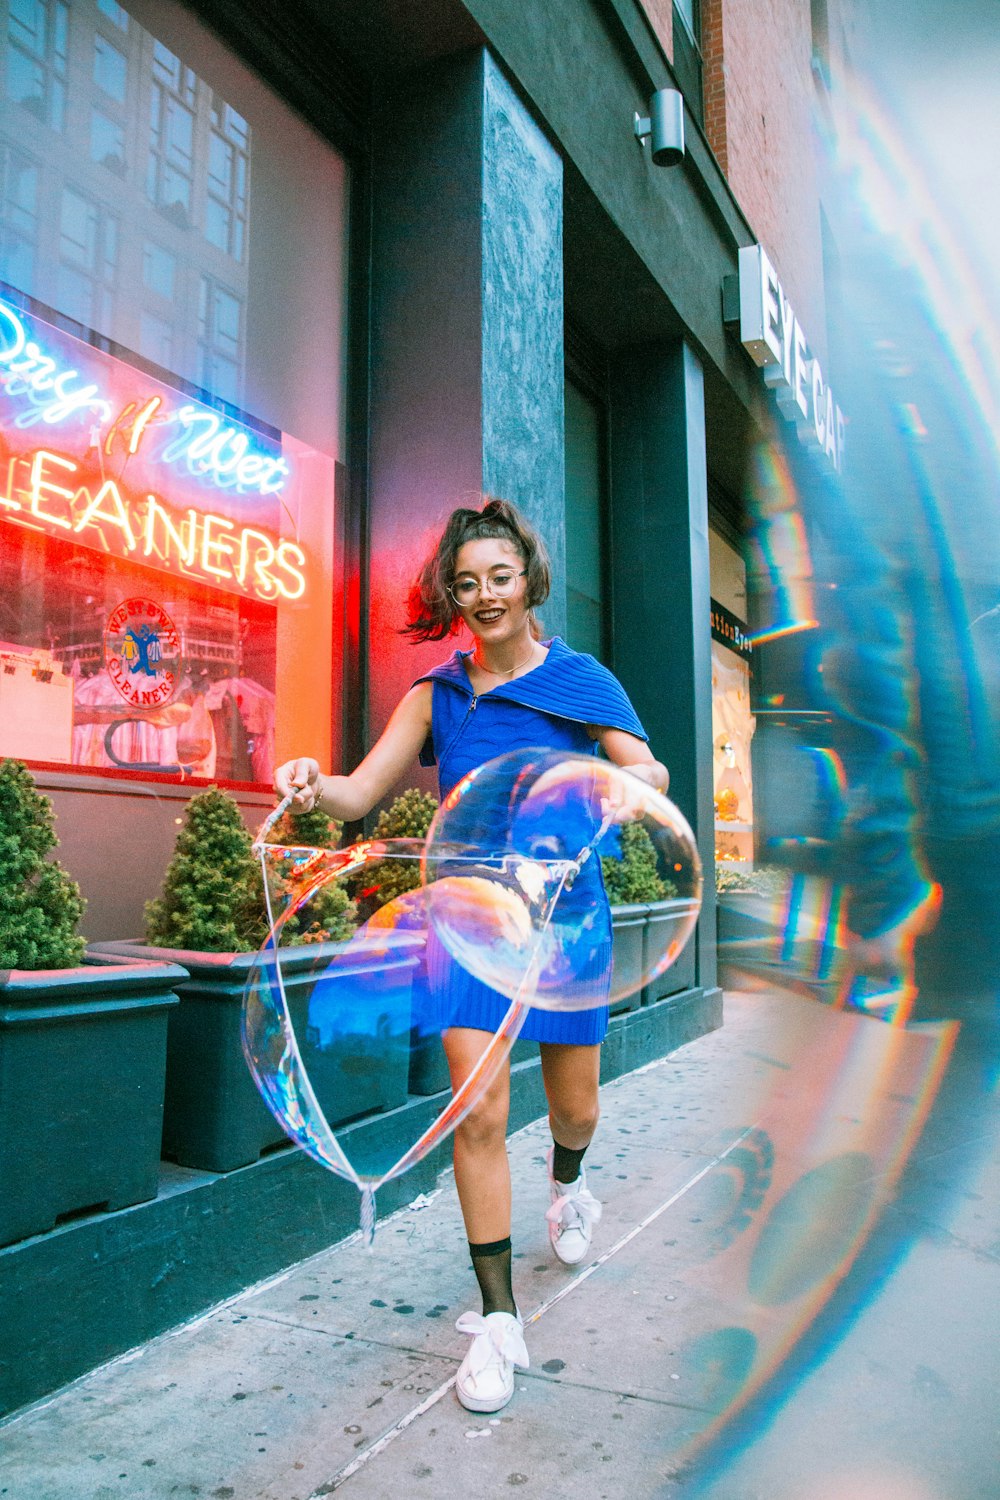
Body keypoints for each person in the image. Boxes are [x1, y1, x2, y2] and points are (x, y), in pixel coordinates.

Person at [274, 497, 668, 1414]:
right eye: (466, 583)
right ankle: (498, 1319)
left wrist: (618, 779)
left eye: (500, 577)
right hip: (467, 919)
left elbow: (644, 769)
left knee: (575, 1108)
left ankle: (569, 1185)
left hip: (567, 916)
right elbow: (357, 791)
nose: (484, 595)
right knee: (478, 1113)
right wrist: (308, 780)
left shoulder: (582, 681)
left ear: (530, 579)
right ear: (450, 596)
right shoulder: (436, 694)